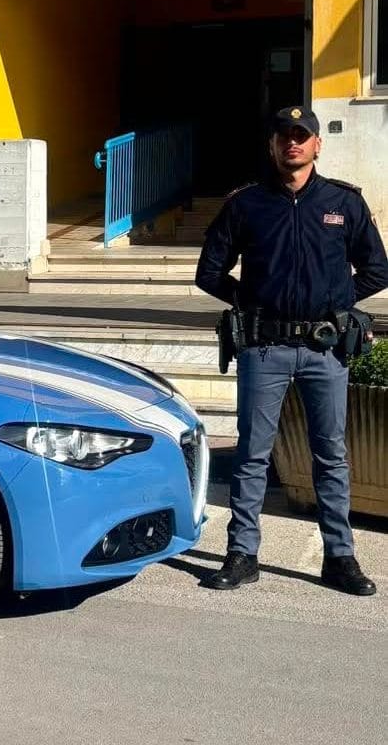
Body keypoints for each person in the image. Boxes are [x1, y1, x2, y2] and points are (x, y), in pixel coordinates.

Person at [196, 106, 388, 595]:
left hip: (325, 352)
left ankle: (339, 558)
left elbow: (377, 269)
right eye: (284, 136)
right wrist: (251, 302)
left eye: (302, 136)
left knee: (331, 455)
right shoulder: (247, 203)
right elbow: (209, 271)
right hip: (265, 348)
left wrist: (335, 302)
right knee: (252, 454)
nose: (293, 143)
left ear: (318, 144)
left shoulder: (344, 202)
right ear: (272, 145)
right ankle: (243, 554)